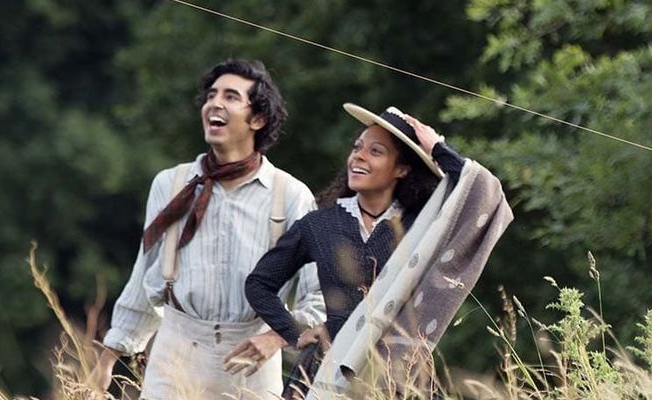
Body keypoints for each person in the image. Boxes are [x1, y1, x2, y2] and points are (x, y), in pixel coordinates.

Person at [88, 59, 325, 399]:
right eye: (211, 95)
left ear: (257, 119)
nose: (214, 103)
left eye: (231, 97)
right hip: (175, 354)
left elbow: (318, 294)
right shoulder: (171, 185)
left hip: (251, 366)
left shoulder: (290, 195)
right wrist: (110, 357)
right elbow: (145, 276)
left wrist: (276, 337)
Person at [245, 104, 512, 398]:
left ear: (402, 168)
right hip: (326, 369)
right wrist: (296, 333)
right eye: (357, 147)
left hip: (402, 376)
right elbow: (259, 283)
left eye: (375, 151)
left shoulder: (422, 228)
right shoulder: (319, 225)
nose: (358, 155)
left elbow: (485, 195)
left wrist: (437, 147)